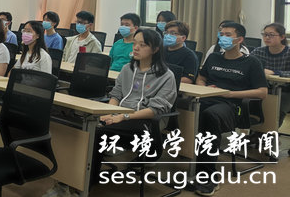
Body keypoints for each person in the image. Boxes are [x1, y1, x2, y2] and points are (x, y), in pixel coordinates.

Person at [90, 29, 177, 186]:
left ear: (155, 49)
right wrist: (110, 113)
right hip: (121, 116)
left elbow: (155, 110)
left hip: (145, 122)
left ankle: (87, 181)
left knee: (96, 132)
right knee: (87, 126)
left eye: (142, 45)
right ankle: (80, 178)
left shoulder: (166, 76)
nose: (136, 48)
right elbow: (116, 95)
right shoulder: (127, 69)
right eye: (135, 43)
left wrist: (123, 116)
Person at [194, 22, 267, 196]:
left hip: (234, 106)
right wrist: (205, 88)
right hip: (208, 98)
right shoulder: (214, 58)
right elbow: (201, 78)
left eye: (228, 35)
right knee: (186, 109)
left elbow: (262, 92)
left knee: (209, 116)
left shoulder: (251, 62)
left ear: (239, 39)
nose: (222, 38)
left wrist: (230, 94)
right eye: (221, 34)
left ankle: (207, 176)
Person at [251, 23, 290, 127]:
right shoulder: (258, 51)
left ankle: (270, 133)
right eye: (265, 34)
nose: (267, 38)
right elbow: (248, 67)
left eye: (271, 35)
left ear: (282, 37)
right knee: (252, 104)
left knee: (277, 108)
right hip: (264, 88)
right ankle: (256, 132)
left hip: (287, 91)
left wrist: (275, 72)